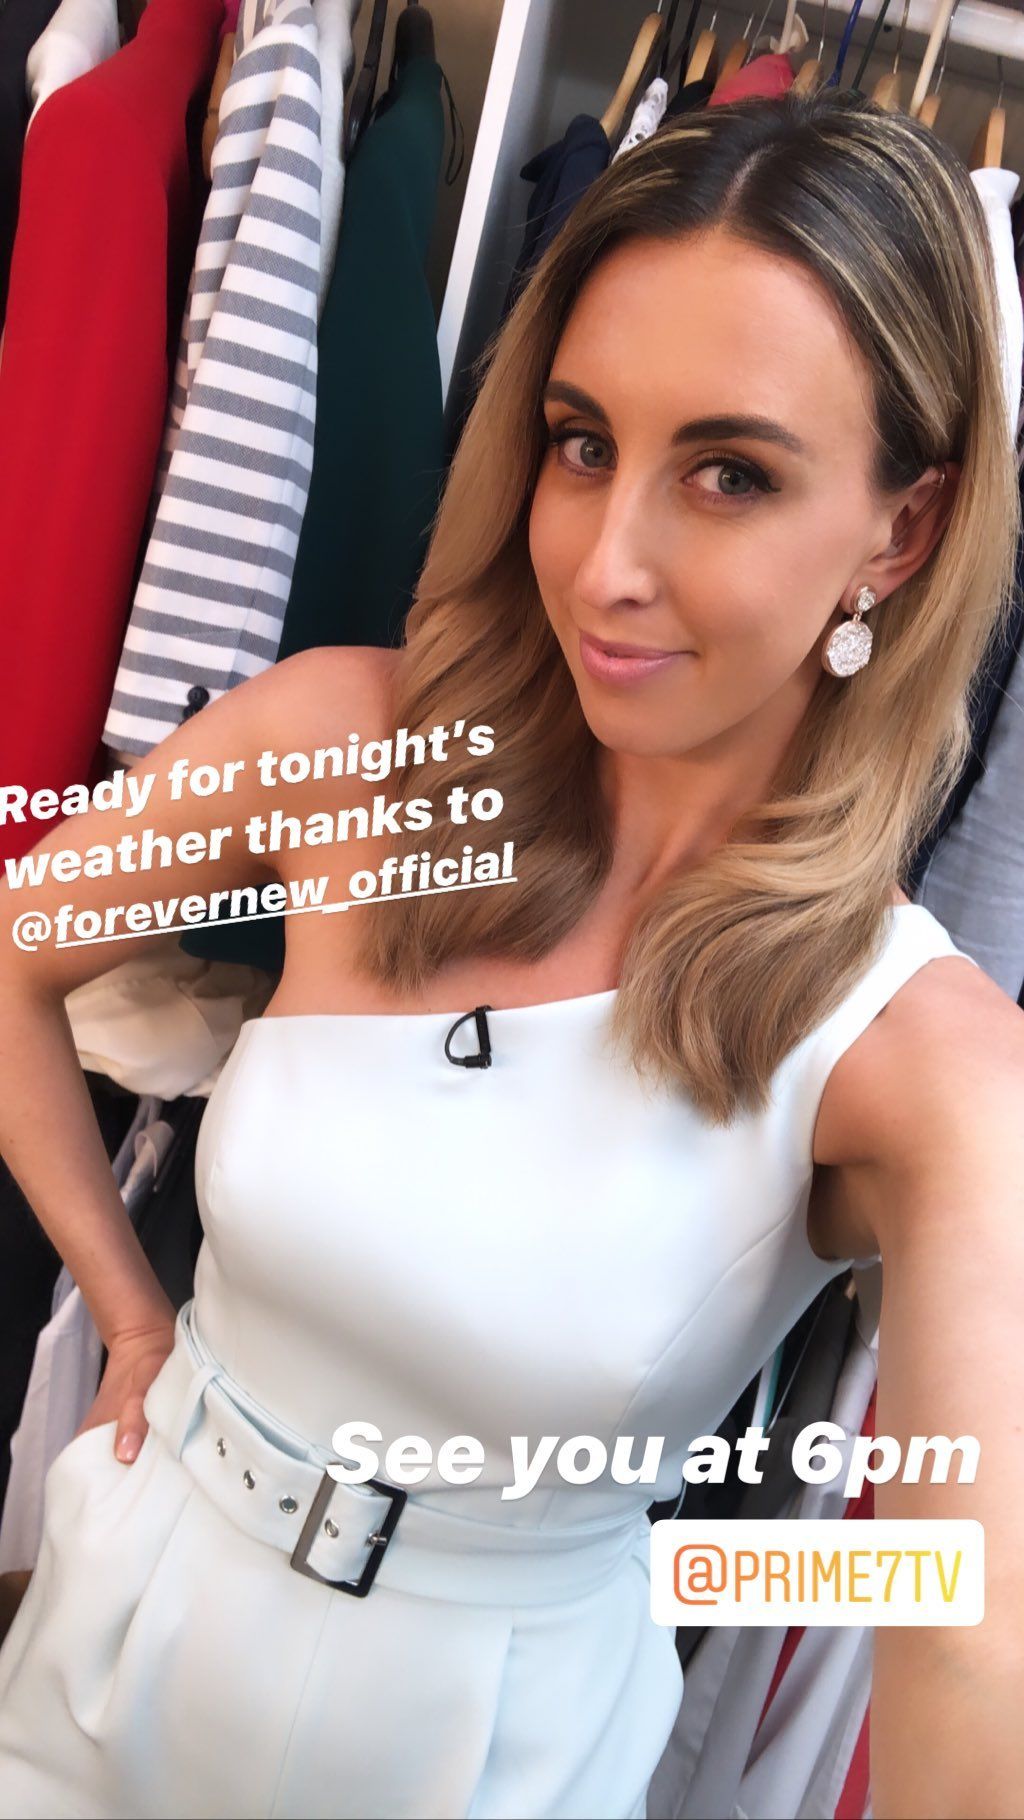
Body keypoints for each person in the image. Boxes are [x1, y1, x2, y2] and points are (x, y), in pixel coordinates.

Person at [0, 87, 1023, 1820]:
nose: (607, 563)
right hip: (113, 1644)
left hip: (483, 1766)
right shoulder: (342, 748)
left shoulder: (919, 1055)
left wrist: (654, 1568)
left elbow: (967, 1626)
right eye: (581, 442)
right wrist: (125, 1306)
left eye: (730, 473)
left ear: (901, 531)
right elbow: (18, 952)